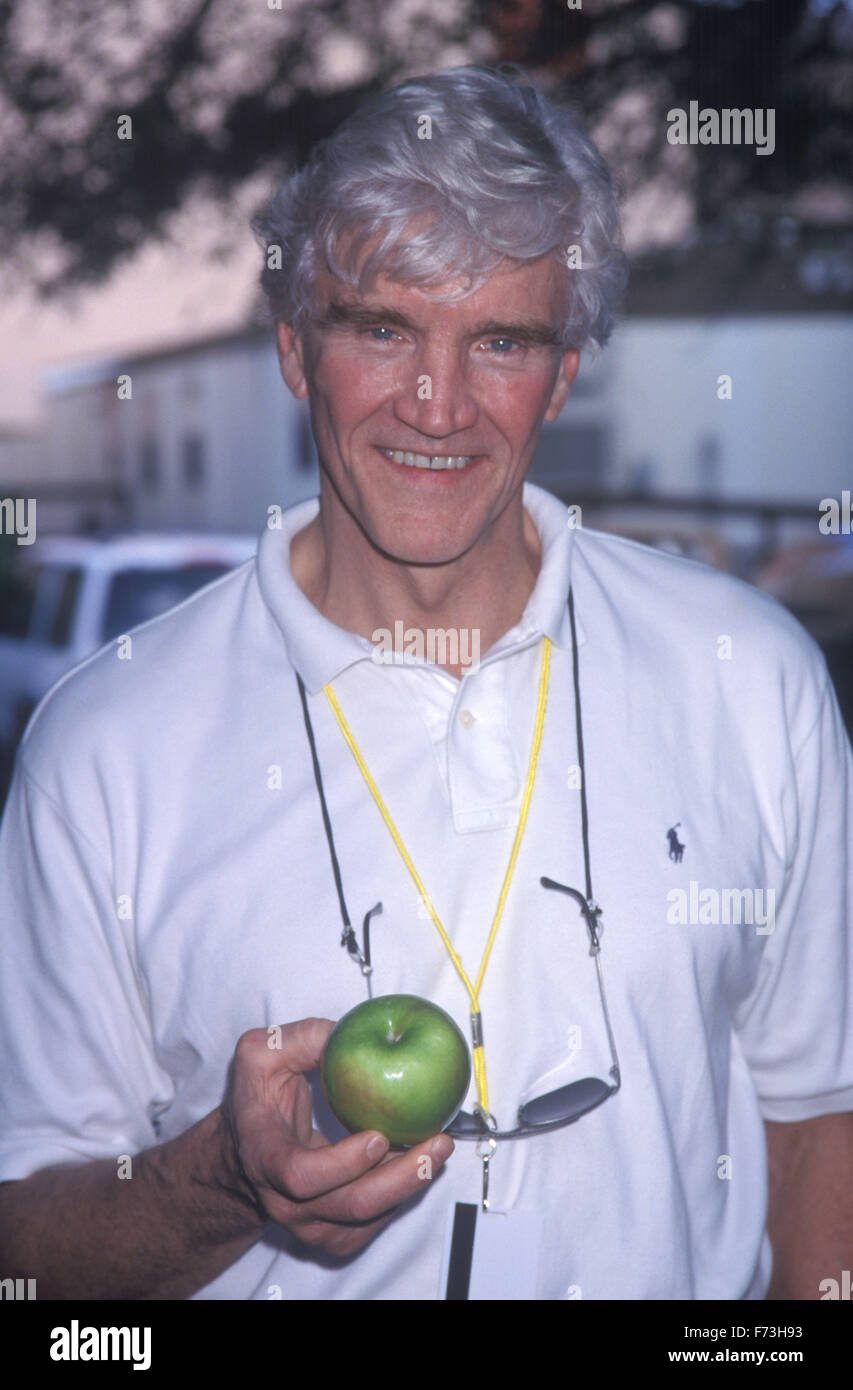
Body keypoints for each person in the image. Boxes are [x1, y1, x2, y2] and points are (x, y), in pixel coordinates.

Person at [0, 65, 851, 1302]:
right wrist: (225, 1183)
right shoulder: (104, 743)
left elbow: (818, 1110)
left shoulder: (750, 677)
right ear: (294, 345)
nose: (437, 406)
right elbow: (28, 1246)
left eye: (500, 340)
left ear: (562, 375)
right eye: (382, 327)